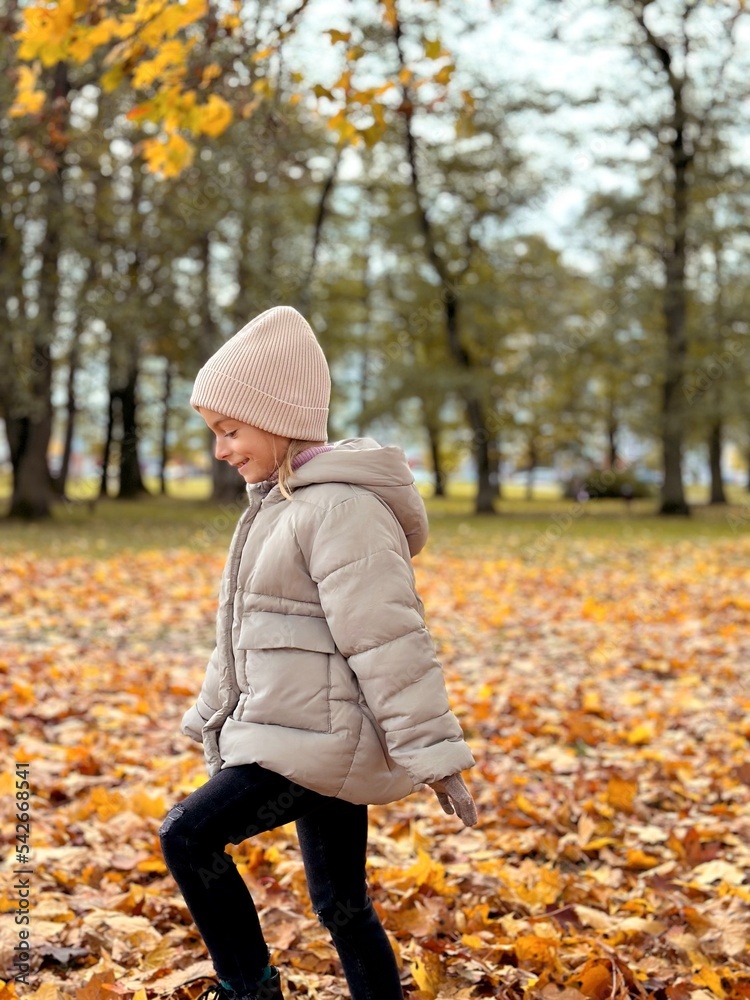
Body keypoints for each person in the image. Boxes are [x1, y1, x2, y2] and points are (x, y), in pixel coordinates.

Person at [158, 306, 477, 1000]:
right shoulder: (282, 504)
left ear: (279, 419)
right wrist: (211, 713)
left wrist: (435, 755)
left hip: (317, 740)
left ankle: (250, 989)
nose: (220, 450)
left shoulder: (339, 510)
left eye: (229, 430)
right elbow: (249, 632)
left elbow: (389, 639)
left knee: (187, 835)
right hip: (303, 730)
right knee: (340, 903)